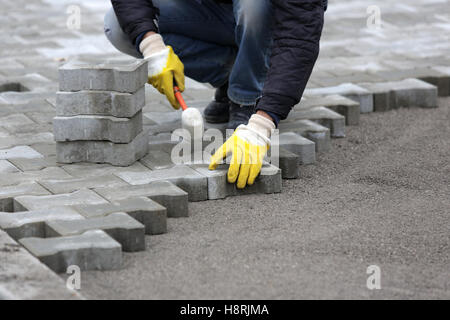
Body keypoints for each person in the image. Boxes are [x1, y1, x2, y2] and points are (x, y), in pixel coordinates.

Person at [106, 0, 326, 189]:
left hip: (268, 16)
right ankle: (234, 74)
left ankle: (248, 97)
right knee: (117, 25)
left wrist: (263, 124)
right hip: (213, 13)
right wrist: (151, 46)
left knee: (255, 6)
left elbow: (299, 35)